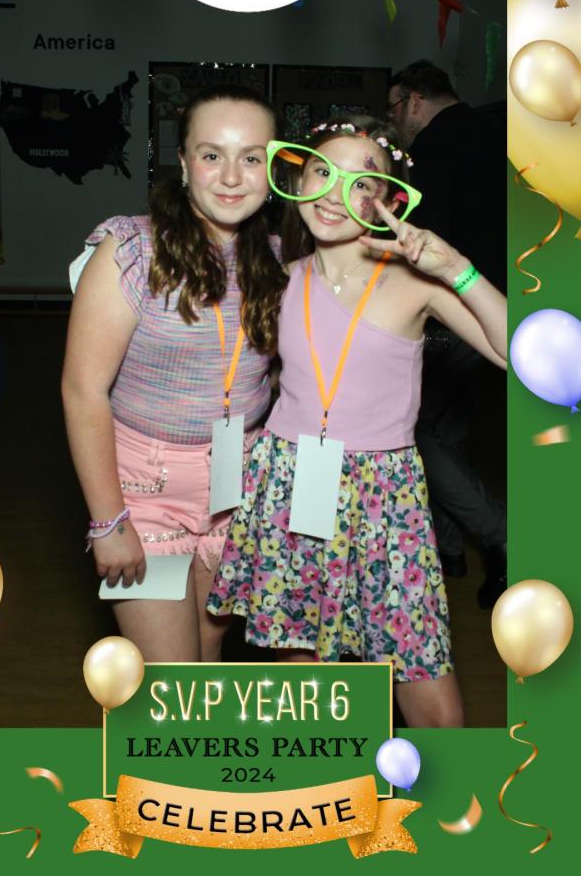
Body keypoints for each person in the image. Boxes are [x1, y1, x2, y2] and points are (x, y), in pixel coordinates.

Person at [207, 118, 507, 727]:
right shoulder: (281, 276)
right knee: (303, 679)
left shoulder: (414, 281)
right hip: (292, 484)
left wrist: (456, 267)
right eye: (322, 172)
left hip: (385, 497)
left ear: (385, 201)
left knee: (426, 686)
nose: (334, 193)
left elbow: (523, 356)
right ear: (299, 181)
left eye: (360, 182)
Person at [62, 84, 287, 663]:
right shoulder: (133, 250)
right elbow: (83, 390)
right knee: (171, 675)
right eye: (212, 155)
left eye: (251, 158)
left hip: (237, 488)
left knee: (209, 651)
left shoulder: (281, 259)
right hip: (142, 494)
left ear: (273, 171)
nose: (231, 177)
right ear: (183, 163)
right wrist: (108, 521)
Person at [387, 60, 506, 606]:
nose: (396, 120)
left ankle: (500, 536)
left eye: (395, 108)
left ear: (414, 100)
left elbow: (422, 245)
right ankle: (450, 547)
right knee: (447, 428)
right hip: (497, 299)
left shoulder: (431, 149)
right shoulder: (495, 133)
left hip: (451, 311)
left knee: (420, 434)